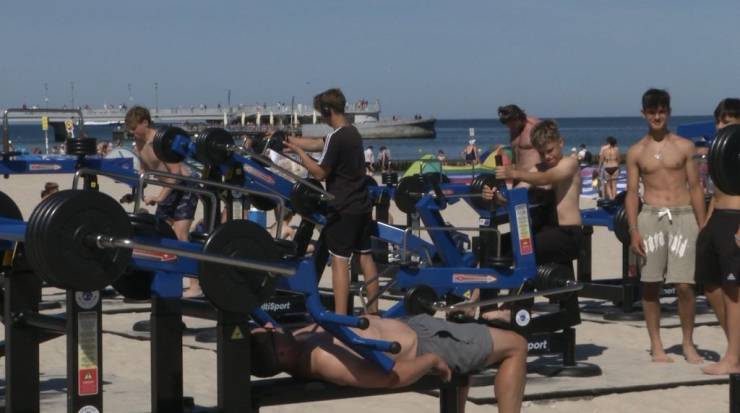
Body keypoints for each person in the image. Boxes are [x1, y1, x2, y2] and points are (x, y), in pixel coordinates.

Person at [250, 314, 527, 413]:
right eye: (269, 333)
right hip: (429, 345)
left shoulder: (295, 340)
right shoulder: (324, 359)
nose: (271, 326)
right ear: (281, 355)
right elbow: (391, 377)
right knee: (516, 345)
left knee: (470, 358)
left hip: (414, 326)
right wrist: (431, 359)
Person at [624, 89, 706, 364]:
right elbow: (632, 193)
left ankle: (687, 343)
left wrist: (702, 225)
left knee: (685, 285)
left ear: (669, 112)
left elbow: (696, 187)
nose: (657, 117)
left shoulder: (685, 146)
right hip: (651, 216)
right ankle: (656, 344)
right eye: (652, 112)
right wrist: (633, 230)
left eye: (661, 111)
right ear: (643, 114)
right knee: (650, 284)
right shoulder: (636, 151)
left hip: (684, 215)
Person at [283, 88, 380, 315]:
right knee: (365, 258)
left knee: (339, 261)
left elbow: (319, 173)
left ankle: (340, 317)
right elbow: (319, 143)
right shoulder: (352, 133)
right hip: (361, 206)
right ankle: (374, 313)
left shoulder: (336, 138)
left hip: (343, 208)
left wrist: (299, 153)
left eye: (321, 113)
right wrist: (288, 140)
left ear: (328, 110)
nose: (321, 118)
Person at [125, 106, 201, 297]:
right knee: (160, 236)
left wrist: (160, 197)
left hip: (185, 186)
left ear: (145, 122)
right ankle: (164, 282)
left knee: (181, 235)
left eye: (134, 128)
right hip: (167, 189)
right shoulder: (138, 144)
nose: (132, 132)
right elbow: (143, 173)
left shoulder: (160, 141)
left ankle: (195, 285)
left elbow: (175, 173)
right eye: (130, 129)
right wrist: (135, 193)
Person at [486, 119, 583, 266]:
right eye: (542, 153)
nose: (547, 157)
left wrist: (513, 173)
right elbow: (515, 194)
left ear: (561, 143)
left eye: (550, 150)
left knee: (519, 248)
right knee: (495, 245)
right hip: (543, 231)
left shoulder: (570, 164)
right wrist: (497, 196)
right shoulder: (538, 168)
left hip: (567, 234)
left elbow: (546, 178)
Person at [697, 98, 740, 375]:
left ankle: (732, 358)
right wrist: (706, 224)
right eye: (719, 121)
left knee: (733, 290)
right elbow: (716, 189)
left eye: (728, 121)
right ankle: (736, 350)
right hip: (716, 218)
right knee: (711, 285)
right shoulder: (720, 149)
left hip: (736, 217)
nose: (721, 125)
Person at [497, 105, 541, 174]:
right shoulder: (512, 129)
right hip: (517, 176)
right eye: (508, 126)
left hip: (534, 176)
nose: (510, 128)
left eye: (513, 125)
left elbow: (552, 147)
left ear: (518, 118)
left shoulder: (535, 125)